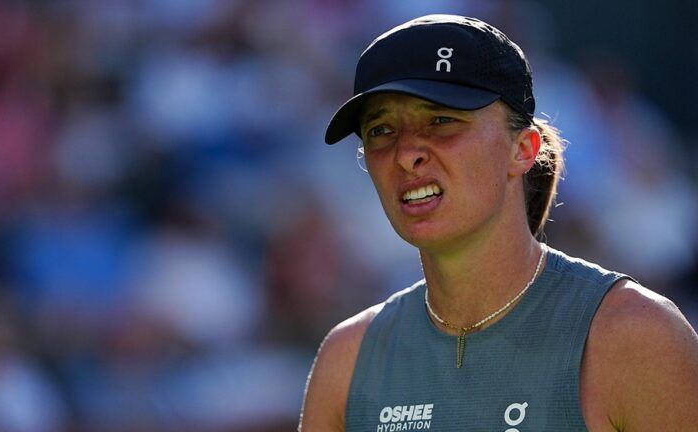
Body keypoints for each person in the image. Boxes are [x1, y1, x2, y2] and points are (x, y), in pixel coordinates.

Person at [299, 14, 698, 431]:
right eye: (380, 130)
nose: (405, 154)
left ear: (523, 149)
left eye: (441, 120)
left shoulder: (637, 337)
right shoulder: (347, 360)